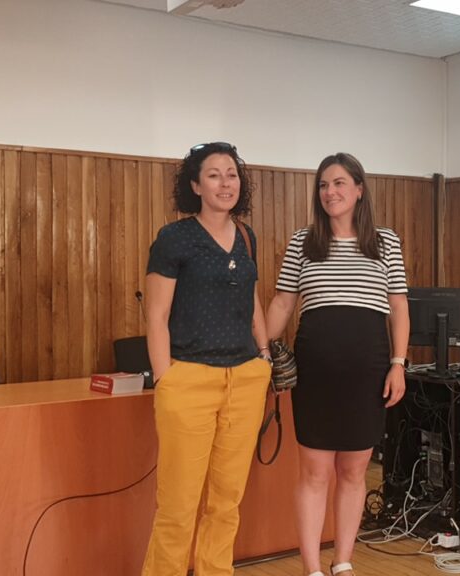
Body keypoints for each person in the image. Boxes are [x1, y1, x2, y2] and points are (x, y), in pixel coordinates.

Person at [265, 153, 410, 576]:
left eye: (340, 183)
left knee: (353, 471)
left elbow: (398, 307)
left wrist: (398, 363)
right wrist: (260, 350)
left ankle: (342, 562)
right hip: (315, 372)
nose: (330, 192)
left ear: (359, 189)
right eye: (324, 185)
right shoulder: (302, 241)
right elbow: (282, 302)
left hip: (369, 370)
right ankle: (312, 567)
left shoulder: (386, 241)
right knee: (313, 473)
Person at [141, 142, 272, 576]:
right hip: (189, 379)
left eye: (231, 174)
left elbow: (251, 297)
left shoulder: (248, 237)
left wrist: (264, 354)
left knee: (226, 502)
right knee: (178, 505)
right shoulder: (174, 238)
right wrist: (166, 380)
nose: (225, 182)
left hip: (245, 379)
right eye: (213, 174)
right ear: (195, 185)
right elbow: (156, 315)